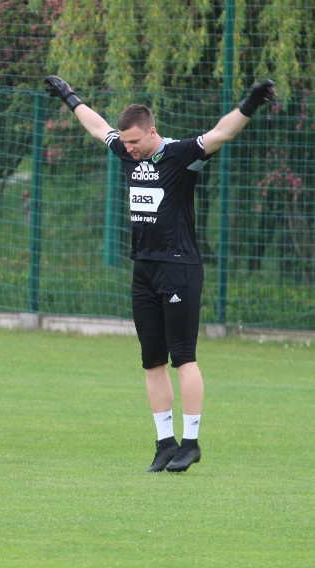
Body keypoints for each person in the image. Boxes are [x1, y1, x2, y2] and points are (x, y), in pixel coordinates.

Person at [44, 75, 276, 472]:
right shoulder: (127, 150)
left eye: (135, 141)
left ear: (153, 131)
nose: (128, 148)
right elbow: (99, 126)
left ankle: (191, 442)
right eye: (126, 142)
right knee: (151, 360)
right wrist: (69, 96)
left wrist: (250, 104)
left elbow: (220, 133)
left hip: (179, 268)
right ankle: (164, 442)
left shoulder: (180, 155)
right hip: (144, 269)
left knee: (182, 357)